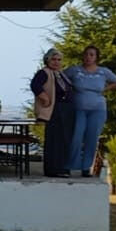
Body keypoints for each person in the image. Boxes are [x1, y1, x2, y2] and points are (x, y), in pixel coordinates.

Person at [64, 45, 116, 177]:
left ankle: (85, 167)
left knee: (92, 138)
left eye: (92, 55)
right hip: (78, 108)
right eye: (86, 54)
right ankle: (70, 165)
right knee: (76, 137)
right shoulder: (75, 70)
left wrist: (105, 90)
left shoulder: (103, 71)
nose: (88, 57)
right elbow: (61, 78)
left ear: (96, 57)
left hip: (97, 109)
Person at [30, 47, 74, 177]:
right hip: (55, 110)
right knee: (55, 140)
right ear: (47, 60)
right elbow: (35, 85)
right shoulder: (44, 72)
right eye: (53, 59)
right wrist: (44, 96)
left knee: (65, 140)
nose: (56, 62)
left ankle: (63, 168)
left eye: (59, 59)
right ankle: (53, 170)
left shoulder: (61, 73)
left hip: (66, 110)